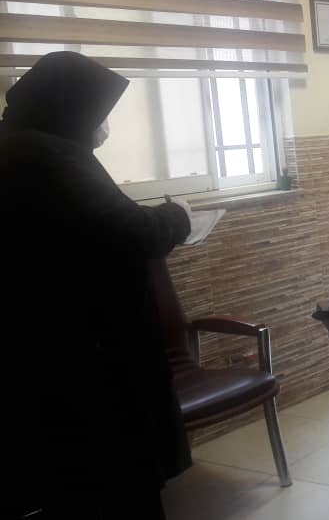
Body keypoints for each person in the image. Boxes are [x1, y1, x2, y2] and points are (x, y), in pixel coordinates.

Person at [0, 52, 194, 519]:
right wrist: (179, 215)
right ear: (70, 104)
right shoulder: (50, 156)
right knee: (119, 484)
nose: (102, 125)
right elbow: (130, 232)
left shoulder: (15, 146)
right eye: (98, 112)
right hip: (91, 361)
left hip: (40, 352)